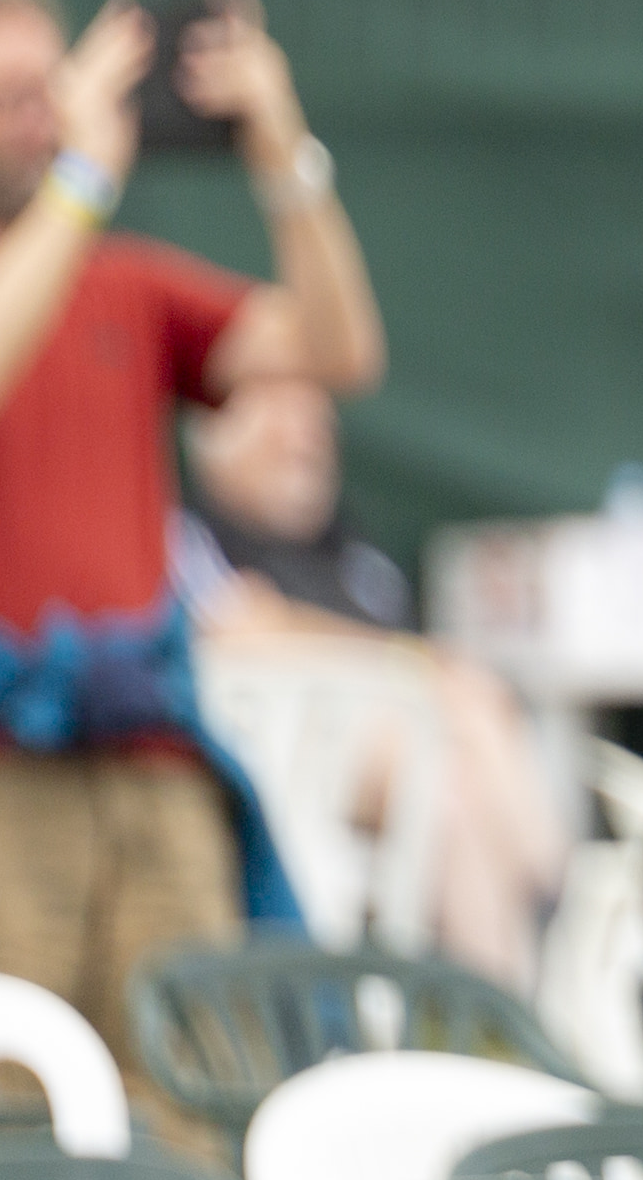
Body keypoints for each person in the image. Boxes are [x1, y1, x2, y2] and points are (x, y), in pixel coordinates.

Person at [0, 0, 382, 1083]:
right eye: (10, 98)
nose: (42, 122)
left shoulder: (126, 285)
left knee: (201, 1110)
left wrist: (282, 150)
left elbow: (338, 348)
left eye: (51, 93)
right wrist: (80, 183)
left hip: (156, 771)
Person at [174, 370, 567, 980]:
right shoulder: (192, 537)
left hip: (422, 803)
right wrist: (410, 665)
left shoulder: (357, 560)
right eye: (281, 432)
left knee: (457, 779)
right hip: (263, 783)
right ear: (219, 440)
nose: (304, 447)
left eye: (315, 432)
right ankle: (541, 902)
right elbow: (239, 629)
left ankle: (500, 1014)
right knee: (448, 740)